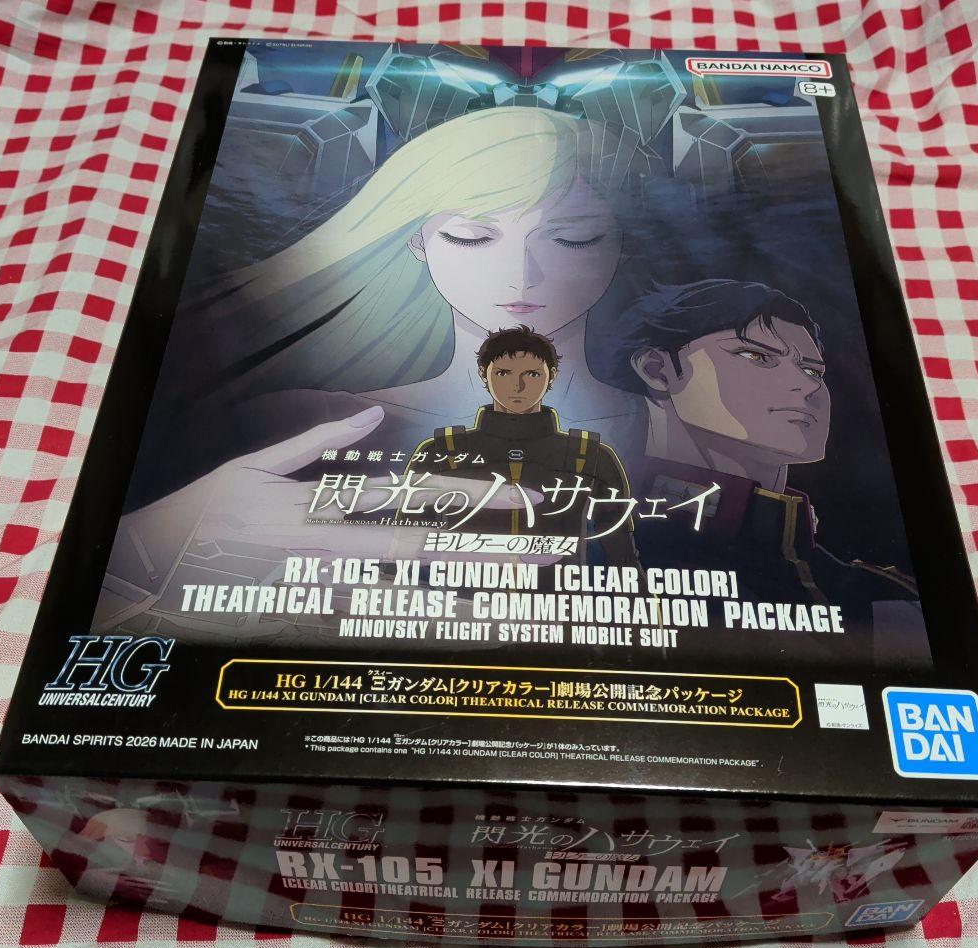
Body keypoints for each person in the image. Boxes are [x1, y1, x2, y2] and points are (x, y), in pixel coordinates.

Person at [100, 108, 647, 641]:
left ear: (626, 244)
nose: (520, 276)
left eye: (573, 239)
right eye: (471, 236)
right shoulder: (304, 422)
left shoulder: (672, 427)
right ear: (418, 242)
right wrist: (140, 554)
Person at [611, 278, 927, 663]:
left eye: (813, 370)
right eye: (756, 355)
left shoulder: (886, 599)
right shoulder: (596, 552)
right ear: (658, 370)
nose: (805, 385)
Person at [410, 325, 639, 568]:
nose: (517, 386)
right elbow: (405, 542)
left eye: (532, 374)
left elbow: (622, 552)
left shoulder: (590, 455)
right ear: (483, 373)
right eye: (503, 373)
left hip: (559, 591)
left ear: (552, 375)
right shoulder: (441, 451)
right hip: (465, 590)